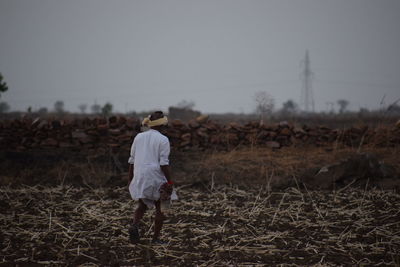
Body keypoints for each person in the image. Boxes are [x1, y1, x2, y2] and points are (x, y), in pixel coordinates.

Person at [127, 111, 174, 244]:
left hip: (140, 174)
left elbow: (131, 160)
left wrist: (130, 179)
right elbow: (164, 163)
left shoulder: (139, 137)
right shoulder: (163, 139)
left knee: (142, 204)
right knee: (162, 206)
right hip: (156, 176)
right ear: (163, 124)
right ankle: (155, 239)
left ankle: (134, 225)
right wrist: (169, 182)